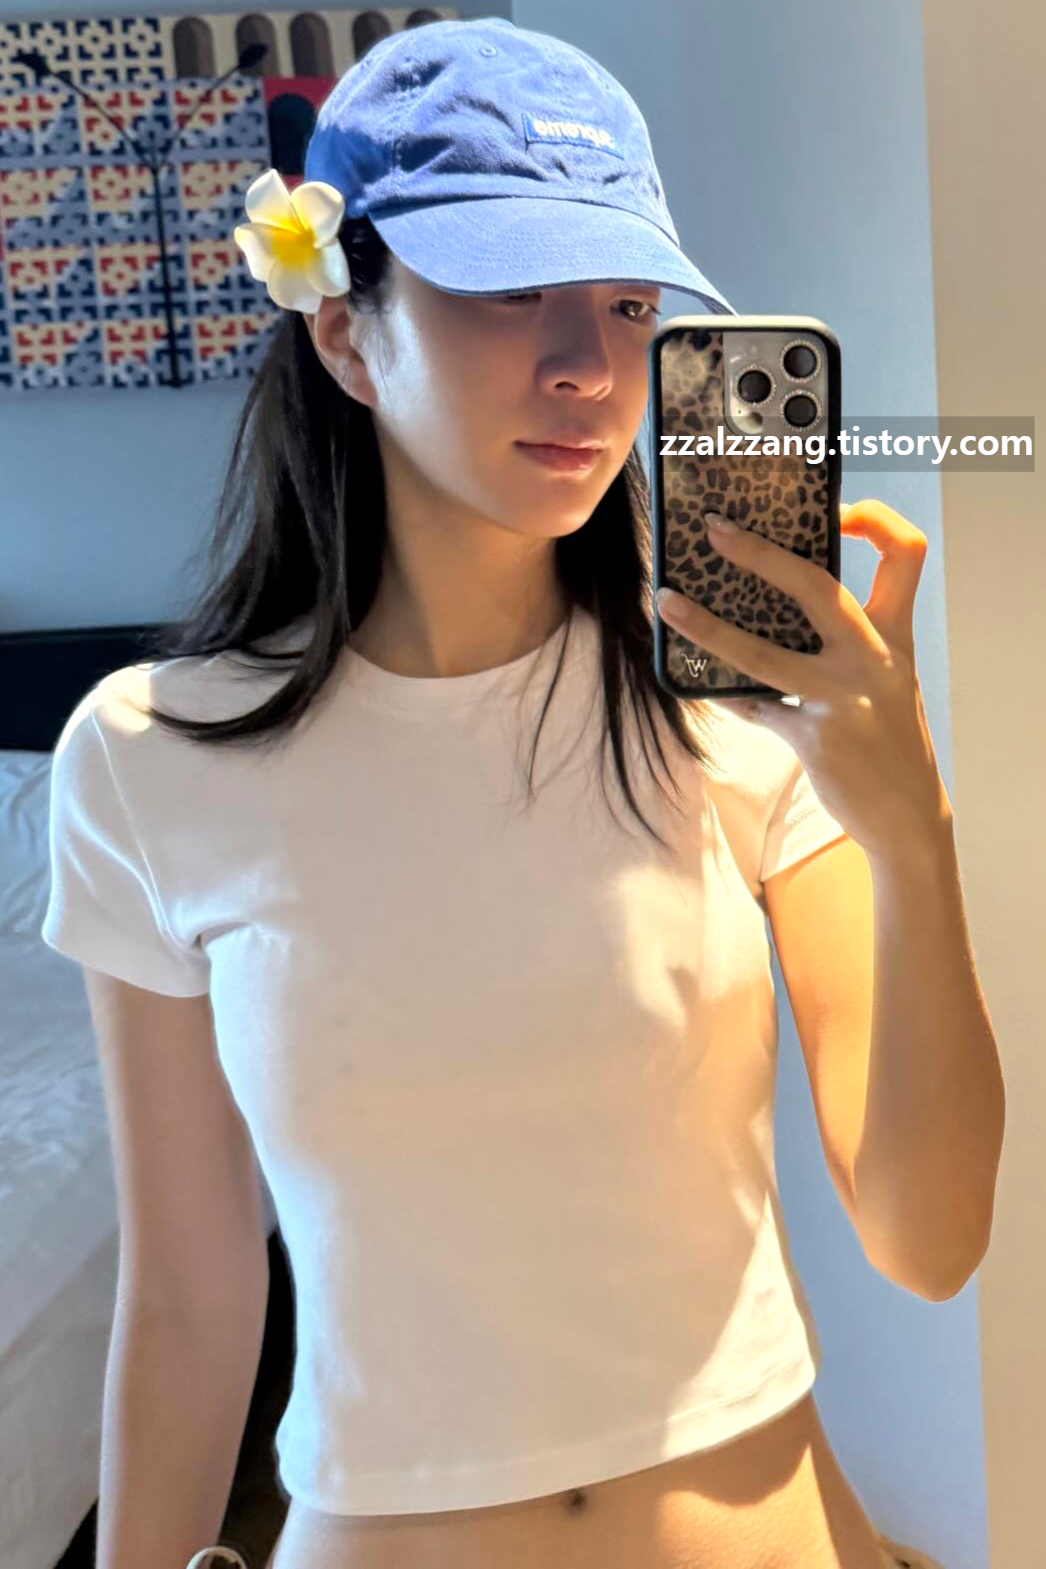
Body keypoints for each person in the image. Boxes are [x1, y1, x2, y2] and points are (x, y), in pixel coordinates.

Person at [41, 16, 927, 1569]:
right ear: (343, 333)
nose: (587, 366)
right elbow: (187, 1296)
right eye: (509, 291)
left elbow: (929, 1239)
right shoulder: (148, 757)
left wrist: (908, 825)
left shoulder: (734, 725)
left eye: (627, 305)